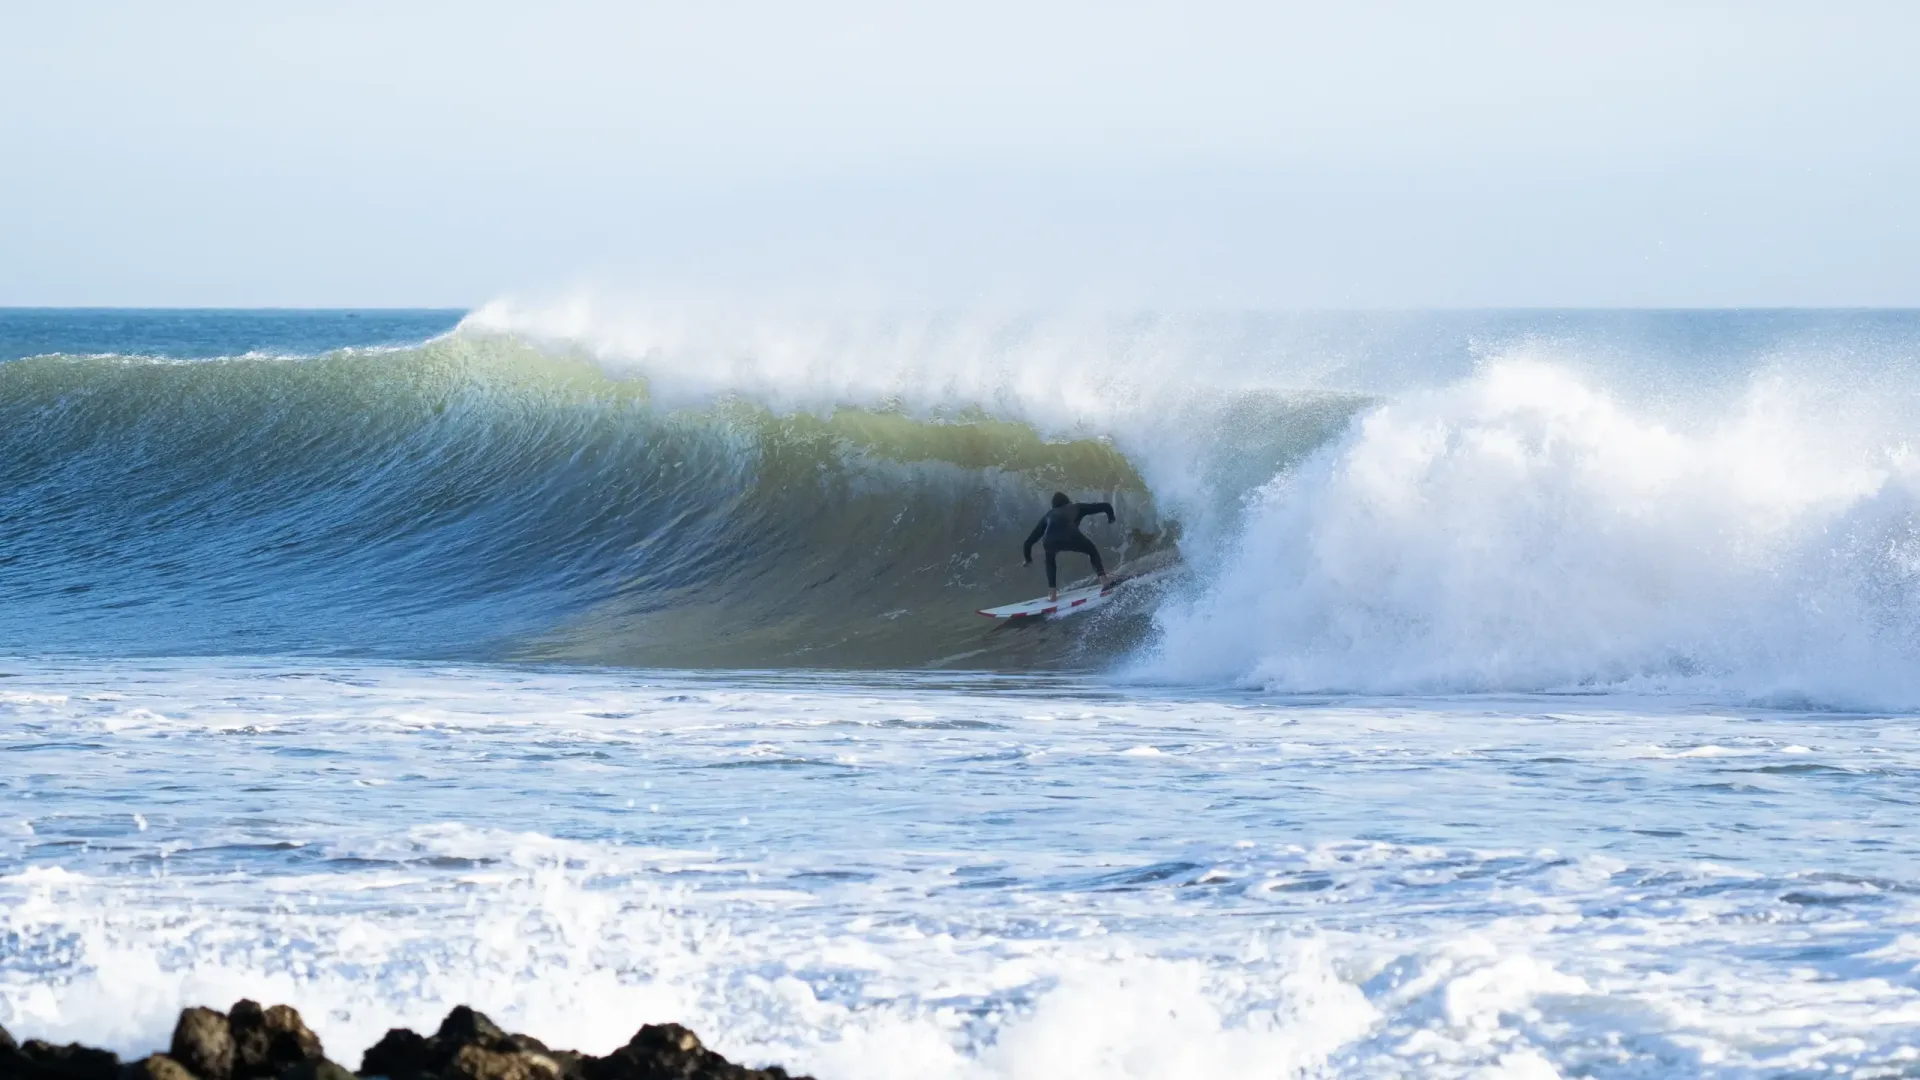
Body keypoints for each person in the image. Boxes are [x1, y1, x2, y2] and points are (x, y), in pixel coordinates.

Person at [1023, 492, 1115, 602]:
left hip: (1049, 540)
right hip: (1070, 534)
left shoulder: (1047, 516)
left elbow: (1028, 542)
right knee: (1092, 551)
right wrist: (1111, 518)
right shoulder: (1076, 507)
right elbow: (1106, 506)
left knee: (1050, 560)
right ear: (1067, 501)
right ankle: (1104, 580)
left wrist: (1028, 560)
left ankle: (1052, 593)